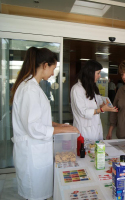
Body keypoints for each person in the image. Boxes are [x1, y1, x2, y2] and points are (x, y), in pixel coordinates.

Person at [10, 47, 80, 200]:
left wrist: (60, 126)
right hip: (32, 154)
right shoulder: (30, 90)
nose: (53, 73)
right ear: (44, 65)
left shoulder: (33, 87)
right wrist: (62, 131)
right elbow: (34, 127)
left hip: (36, 151)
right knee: (35, 195)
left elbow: (39, 120)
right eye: (53, 68)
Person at [71, 60, 118, 141]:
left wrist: (105, 106)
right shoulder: (77, 89)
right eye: (98, 73)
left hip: (96, 129)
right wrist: (102, 109)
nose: (99, 76)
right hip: (84, 131)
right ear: (90, 73)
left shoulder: (92, 88)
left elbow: (98, 104)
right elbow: (83, 112)